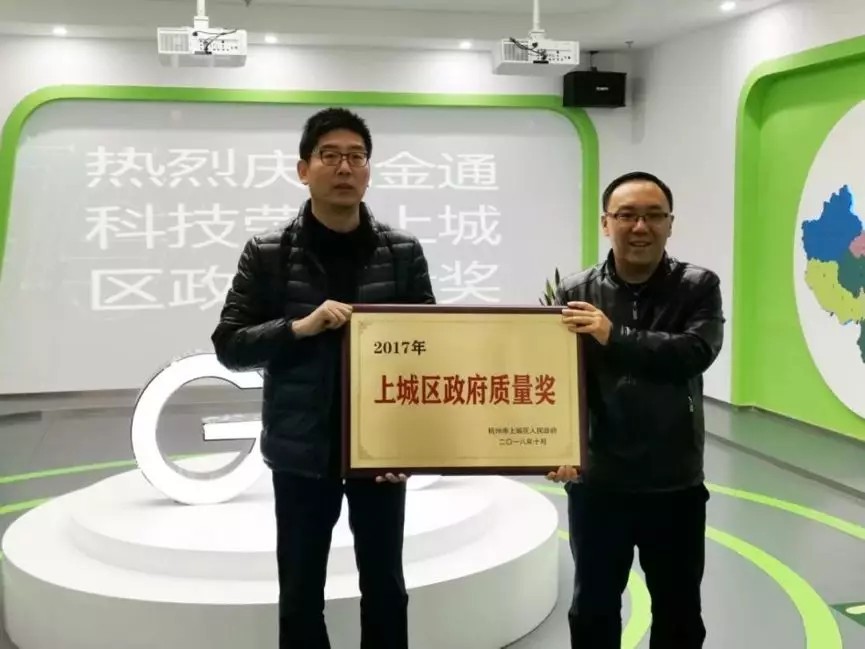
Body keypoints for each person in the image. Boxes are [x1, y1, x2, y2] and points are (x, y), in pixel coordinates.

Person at [211, 107, 435, 649]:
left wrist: (410, 444)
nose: (344, 167)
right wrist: (298, 328)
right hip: (301, 450)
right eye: (330, 156)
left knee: (386, 586)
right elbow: (230, 346)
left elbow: (428, 351)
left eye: (356, 157)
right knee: (301, 590)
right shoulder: (267, 253)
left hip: (380, 451)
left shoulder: (402, 252)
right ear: (303, 169)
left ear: (369, 170)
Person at [547, 171, 724, 649]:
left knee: (679, 610)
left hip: (674, 481)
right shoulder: (576, 290)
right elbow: (561, 377)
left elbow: (694, 352)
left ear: (670, 224)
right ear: (606, 223)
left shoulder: (698, 286)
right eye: (627, 215)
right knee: (593, 607)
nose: (640, 227)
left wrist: (615, 335)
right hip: (599, 482)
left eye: (653, 215)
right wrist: (558, 444)